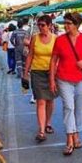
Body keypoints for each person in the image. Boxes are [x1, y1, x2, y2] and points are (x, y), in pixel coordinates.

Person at [49, 12, 82, 156]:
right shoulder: (60, 40)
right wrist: (52, 79)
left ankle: (76, 133)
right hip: (63, 78)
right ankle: (69, 138)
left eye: (69, 23)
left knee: (79, 109)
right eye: (65, 23)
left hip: (80, 78)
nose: (66, 26)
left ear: (76, 25)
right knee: (68, 107)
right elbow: (53, 60)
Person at [24, 15, 56, 143]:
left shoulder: (55, 39)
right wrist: (25, 72)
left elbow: (58, 56)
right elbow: (30, 55)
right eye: (39, 25)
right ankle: (41, 130)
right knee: (40, 101)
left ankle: (48, 123)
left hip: (51, 73)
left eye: (43, 25)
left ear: (49, 26)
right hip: (37, 72)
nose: (40, 27)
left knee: (50, 100)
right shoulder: (34, 39)